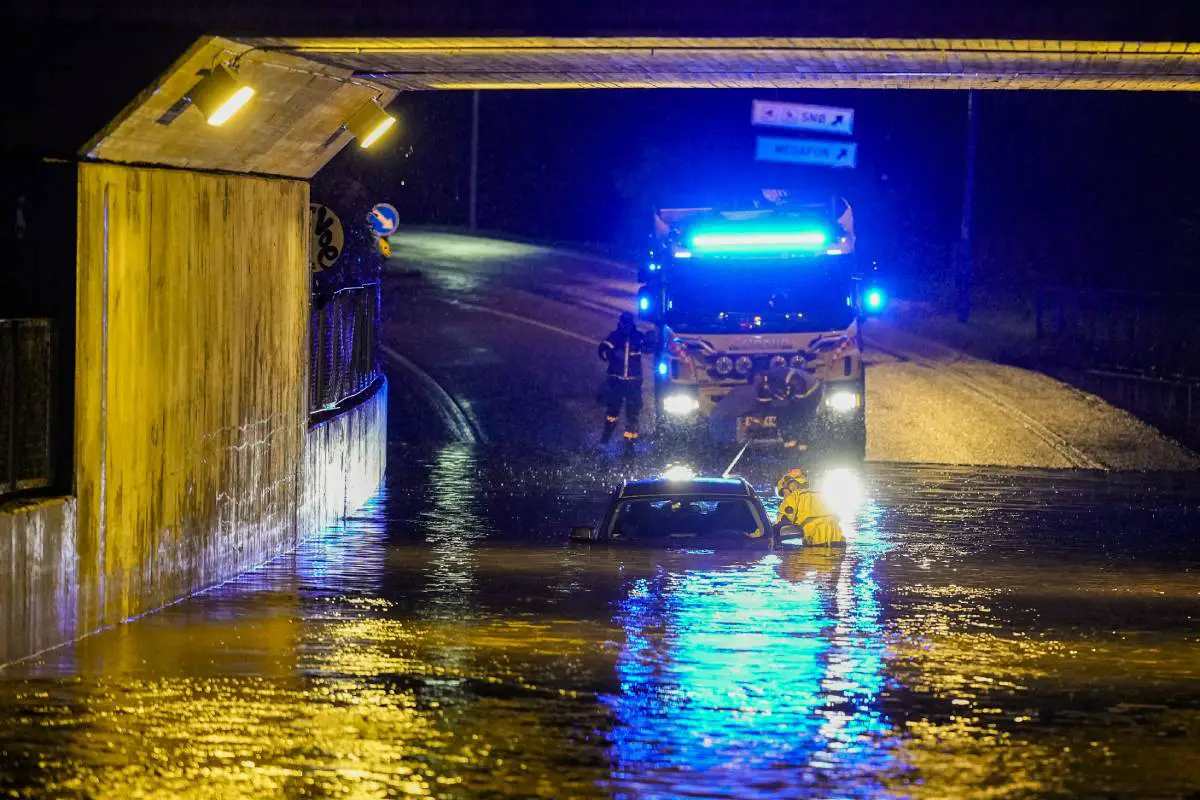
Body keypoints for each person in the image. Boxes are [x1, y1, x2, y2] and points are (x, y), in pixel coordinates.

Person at [598, 311, 649, 446]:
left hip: (633, 381)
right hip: (617, 380)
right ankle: (606, 437)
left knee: (632, 413)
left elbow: (648, 348)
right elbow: (602, 349)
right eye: (624, 323)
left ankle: (630, 441)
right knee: (612, 412)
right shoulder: (614, 337)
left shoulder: (638, 337)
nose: (626, 326)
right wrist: (611, 355)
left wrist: (651, 340)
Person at [774, 468, 845, 547]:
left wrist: (772, 531)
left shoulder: (793, 497)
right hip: (839, 542)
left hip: (817, 543)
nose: (784, 496)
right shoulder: (822, 495)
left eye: (783, 492)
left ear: (789, 486)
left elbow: (783, 523)